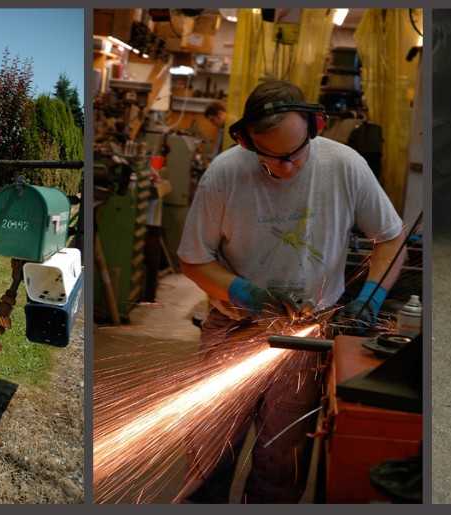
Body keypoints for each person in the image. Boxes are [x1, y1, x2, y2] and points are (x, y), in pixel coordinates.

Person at [177, 78, 406, 503]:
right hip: (232, 329)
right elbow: (193, 259)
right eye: (271, 158)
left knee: (281, 464)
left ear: (315, 126)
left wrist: (371, 297)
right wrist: (245, 292)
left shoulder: (345, 165)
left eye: (295, 155)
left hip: (308, 340)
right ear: (248, 142)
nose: (286, 169)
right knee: (209, 453)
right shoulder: (224, 175)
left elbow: (391, 239)